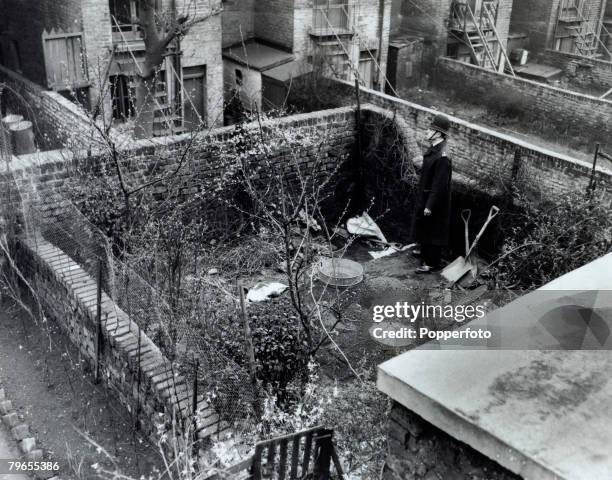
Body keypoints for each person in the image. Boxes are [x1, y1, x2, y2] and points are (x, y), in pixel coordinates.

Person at [411, 114, 453, 274]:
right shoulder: (435, 148)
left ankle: (431, 262)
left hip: (435, 200)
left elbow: (439, 184)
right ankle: (424, 252)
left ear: (439, 133)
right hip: (427, 194)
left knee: (433, 230)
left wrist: (429, 205)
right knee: (425, 226)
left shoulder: (443, 156)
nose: (427, 131)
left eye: (431, 129)